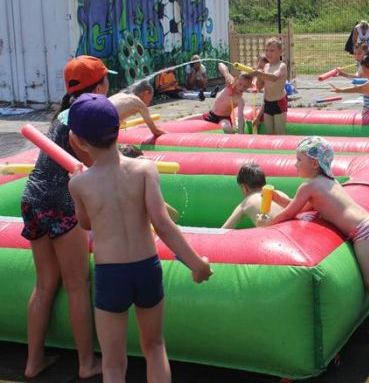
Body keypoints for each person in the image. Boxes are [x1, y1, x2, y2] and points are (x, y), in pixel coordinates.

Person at [67, 93, 213, 383]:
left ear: (78, 141)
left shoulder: (79, 183)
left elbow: (85, 224)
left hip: (111, 274)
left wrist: (78, 179)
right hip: (146, 267)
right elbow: (162, 223)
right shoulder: (145, 169)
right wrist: (196, 263)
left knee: (113, 363)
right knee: (155, 347)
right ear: (119, 127)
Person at [259, 136, 369, 365]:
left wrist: (267, 224)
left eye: (299, 159)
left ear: (314, 163)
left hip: (363, 233)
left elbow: (289, 213)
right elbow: (300, 206)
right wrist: (278, 198)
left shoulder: (308, 186)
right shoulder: (328, 181)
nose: (295, 164)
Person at [19, 55, 111, 379]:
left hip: (32, 198)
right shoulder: (87, 116)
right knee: (77, 285)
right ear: (99, 86)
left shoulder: (63, 114)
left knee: (45, 284)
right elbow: (96, 165)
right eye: (106, 79)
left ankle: (33, 362)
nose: (109, 84)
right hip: (61, 202)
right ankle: (86, 364)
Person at [221, 162, 283, 229]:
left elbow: (224, 229)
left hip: (273, 234)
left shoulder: (246, 203)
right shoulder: (280, 194)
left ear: (244, 187)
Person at [203, 64, 254, 134]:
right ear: (236, 79)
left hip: (223, 118)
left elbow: (240, 117)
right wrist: (226, 75)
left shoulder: (240, 100)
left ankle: (234, 133)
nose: (241, 88)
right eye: (240, 84)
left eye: (245, 86)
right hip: (211, 114)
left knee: (227, 128)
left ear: (249, 86)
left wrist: (241, 132)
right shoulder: (231, 83)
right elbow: (220, 64)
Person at [335, 41, 369, 113]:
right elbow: (357, 78)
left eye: (359, 53)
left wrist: (343, 74)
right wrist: (342, 74)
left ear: (365, 53)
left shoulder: (368, 65)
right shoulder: (362, 64)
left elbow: (358, 78)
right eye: (355, 53)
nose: (357, 56)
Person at [252, 38, 288, 135]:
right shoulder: (266, 66)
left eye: (272, 50)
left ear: (280, 52)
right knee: (269, 134)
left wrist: (259, 74)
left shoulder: (281, 66)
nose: (268, 53)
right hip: (267, 103)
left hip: (279, 102)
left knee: (279, 133)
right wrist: (259, 76)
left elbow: (274, 77)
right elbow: (260, 86)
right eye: (266, 50)